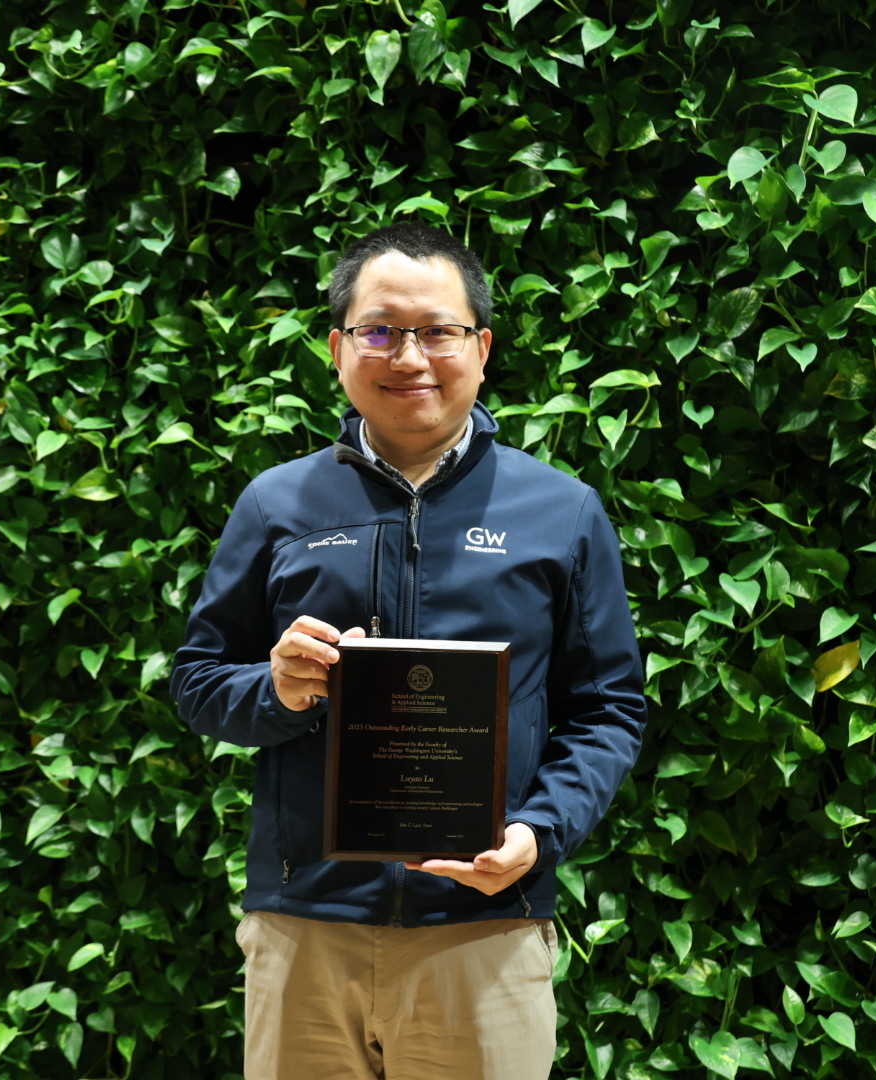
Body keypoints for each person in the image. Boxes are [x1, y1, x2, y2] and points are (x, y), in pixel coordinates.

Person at [170, 223, 646, 1079]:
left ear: (482, 346)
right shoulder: (277, 504)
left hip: (483, 927)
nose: (410, 356)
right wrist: (277, 689)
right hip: (307, 927)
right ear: (338, 348)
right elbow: (199, 681)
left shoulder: (563, 511)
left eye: (438, 331)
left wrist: (541, 832)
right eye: (380, 331)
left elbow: (609, 708)